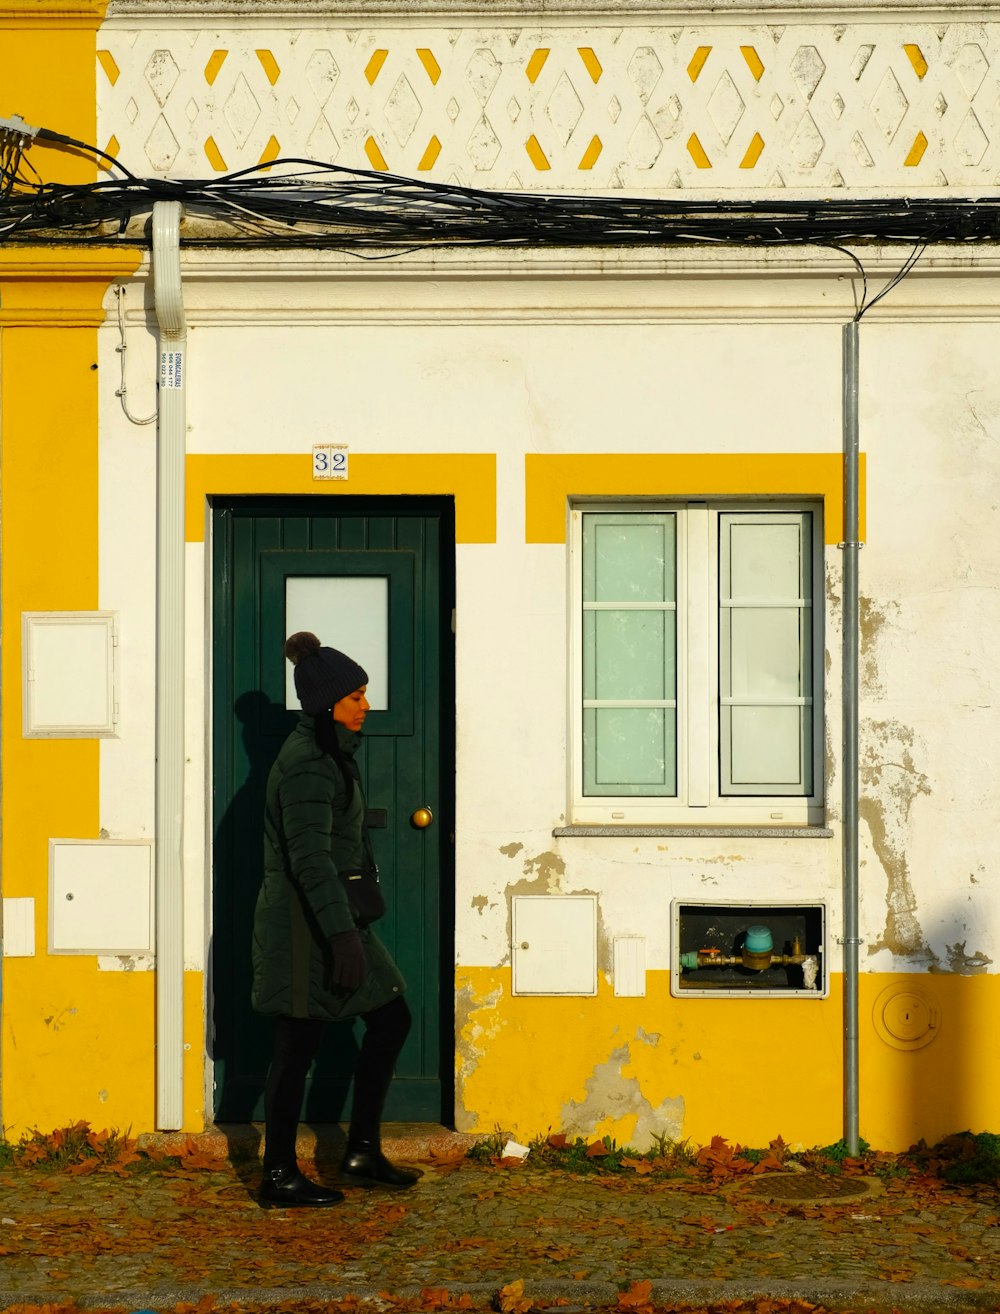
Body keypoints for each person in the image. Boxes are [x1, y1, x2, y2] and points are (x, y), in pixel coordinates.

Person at [251, 630, 419, 1207]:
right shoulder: (306, 766)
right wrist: (342, 936)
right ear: (326, 705)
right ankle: (277, 1176)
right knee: (296, 1043)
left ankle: (362, 1151)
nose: (365, 706)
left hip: (334, 916)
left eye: (365, 694)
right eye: (356, 697)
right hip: (303, 923)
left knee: (392, 1015)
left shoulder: (329, 757)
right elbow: (309, 859)